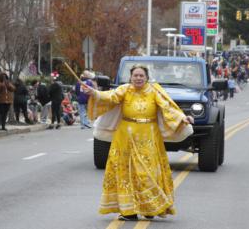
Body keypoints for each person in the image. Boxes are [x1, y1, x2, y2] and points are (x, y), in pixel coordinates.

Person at [83, 64, 194, 220]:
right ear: (131, 77)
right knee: (125, 174)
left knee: (147, 174)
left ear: (147, 77)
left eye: (141, 75)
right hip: (125, 137)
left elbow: (168, 108)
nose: (138, 78)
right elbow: (110, 97)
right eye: (135, 75)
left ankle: (150, 208)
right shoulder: (125, 89)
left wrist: (183, 118)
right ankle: (129, 211)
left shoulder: (155, 90)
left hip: (149, 137)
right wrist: (93, 92)